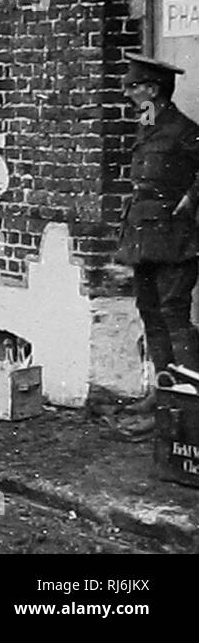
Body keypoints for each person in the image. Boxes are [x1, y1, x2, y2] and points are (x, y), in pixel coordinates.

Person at [115, 53, 199, 432]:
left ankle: (189, 399)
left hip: (175, 237)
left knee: (173, 313)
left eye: (133, 87)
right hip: (144, 235)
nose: (127, 94)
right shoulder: (148, 122)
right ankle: (162, 392)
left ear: (153, 90)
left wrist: (192, 198)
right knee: (150, 311)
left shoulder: (183, 129)